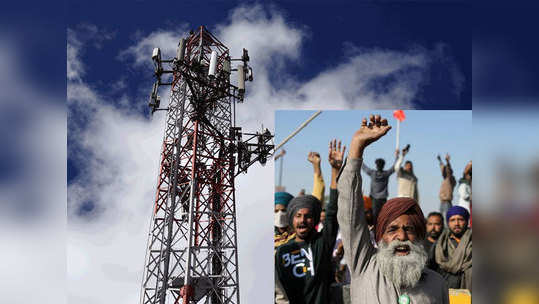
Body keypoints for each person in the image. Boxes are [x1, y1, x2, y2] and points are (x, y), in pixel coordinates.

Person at [337, 114, 448, 304]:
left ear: (420, 234)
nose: (402, 237)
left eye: (409, 229)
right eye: (392, 229)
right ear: (381, 236)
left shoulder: (437, 284)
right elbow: (350, 215)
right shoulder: (364, 266)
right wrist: (357, 147)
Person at [275, 139, 344, 304]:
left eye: (307, 216)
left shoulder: (321, 243)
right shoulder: (282, 252)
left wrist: (335, 171)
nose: (302, 220)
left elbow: (332, 210)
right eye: (298, 216)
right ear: (292, 219)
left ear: (314, 220)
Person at [432, 206, 472, 291]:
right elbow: (430, 268)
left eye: (460, 219)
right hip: (446, 291)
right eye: (452, 220)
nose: (456, 223)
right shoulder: (440, 243)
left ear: (467, 221)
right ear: (448, 223)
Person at [361, 149, 398, 223]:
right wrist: (397, 157)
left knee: (375, 216)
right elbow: (395, 167)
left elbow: (363, 167)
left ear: (376, 165)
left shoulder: (373, 173)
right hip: (383, 198)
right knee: (383, 216)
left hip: (374, 199)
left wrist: (359, 156)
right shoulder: (386, 174)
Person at [438, 154, 456, 221]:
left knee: (446, 220)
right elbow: (443, 168)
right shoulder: (445, 179)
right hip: (442, 202)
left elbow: (447, 170)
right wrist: (440, 161)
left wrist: (448, 162)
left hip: (447, 202)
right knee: (441, 220)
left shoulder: (451, 179)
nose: (443, 172)